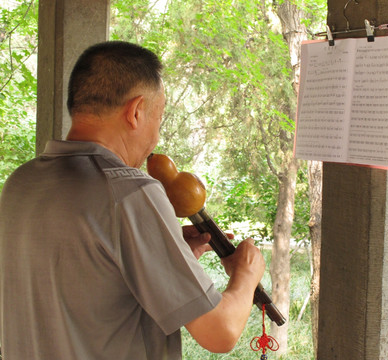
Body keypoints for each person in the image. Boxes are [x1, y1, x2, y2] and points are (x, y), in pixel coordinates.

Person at [0, 41, 265, 359]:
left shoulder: (21, 182)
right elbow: (220, 332)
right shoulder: (129, 191)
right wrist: (247, 274)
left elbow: (86, 284)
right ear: (136, 111)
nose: (156, 137)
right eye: (159, 118)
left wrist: (164, 254)